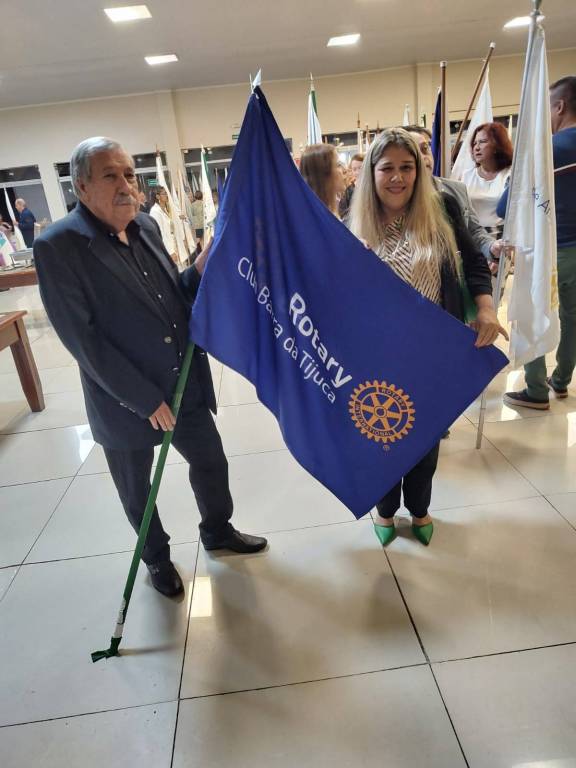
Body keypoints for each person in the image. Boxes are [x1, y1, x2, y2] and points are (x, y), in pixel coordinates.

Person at [33, 137, 267, 598]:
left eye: (129, 174)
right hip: (125, 400)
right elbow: (84, 341)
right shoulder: (58, 246)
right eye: (110, 175)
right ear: (82, 187)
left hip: (183, 383)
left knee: (211, 462)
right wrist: (143, 399)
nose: (126, 184)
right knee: (137, 490)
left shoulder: (146, 226)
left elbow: (174, 296)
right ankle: (157, 557)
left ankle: (217, 530)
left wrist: (201, 264)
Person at [349, 128, 506, 547]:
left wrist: (486, 308)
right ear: (372, 173)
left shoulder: (443, 209)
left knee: (426, 437)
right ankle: (385, 509)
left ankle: (420, 508)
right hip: (376, 356)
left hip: (433, 353)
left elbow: (473, 262)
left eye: (407, 167)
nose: (397, 177)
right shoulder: (353, 222)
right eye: (387, 168)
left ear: (418, 171)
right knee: (381, 436)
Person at [504, 76, 576, 409]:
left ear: (559, 106)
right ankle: (561, 380)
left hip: (549, 249)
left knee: (532, 312)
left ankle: (535, 390)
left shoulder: (546, 151)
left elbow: (506, 205)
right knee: (573, 318)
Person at [405, 125, 506, 273]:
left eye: (425, 149)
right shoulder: (396, 200)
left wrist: (491, 247)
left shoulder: (457, 190)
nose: (423, 157)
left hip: (459, 276)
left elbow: (474, 231)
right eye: (414, 151)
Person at [461, 122, 513, 242]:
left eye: (482, 142)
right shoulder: (466, 176)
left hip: (504, 239)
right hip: (474, 238)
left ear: (498, 145)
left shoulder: (511, 174)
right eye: (474, 143)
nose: (476, 147)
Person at [299, 143, 347, 217]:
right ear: (323, 176)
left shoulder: (329, 211)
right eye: (337, 165)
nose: (344, 170)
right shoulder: (318, 218)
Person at [148, 186, 176, 261]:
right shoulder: (155, 211)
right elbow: (160, 233)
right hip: (167, 249)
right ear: (157, 196)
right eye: (164, 193)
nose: (166, 195)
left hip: (172, 244)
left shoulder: (164, 209)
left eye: (166, 193)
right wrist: (171, 251)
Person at [338, 153, 364, 219]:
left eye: (360, 168)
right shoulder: (349, 190)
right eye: (354, 169)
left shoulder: (374, 187)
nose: (357, 172)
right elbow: (342, 212)